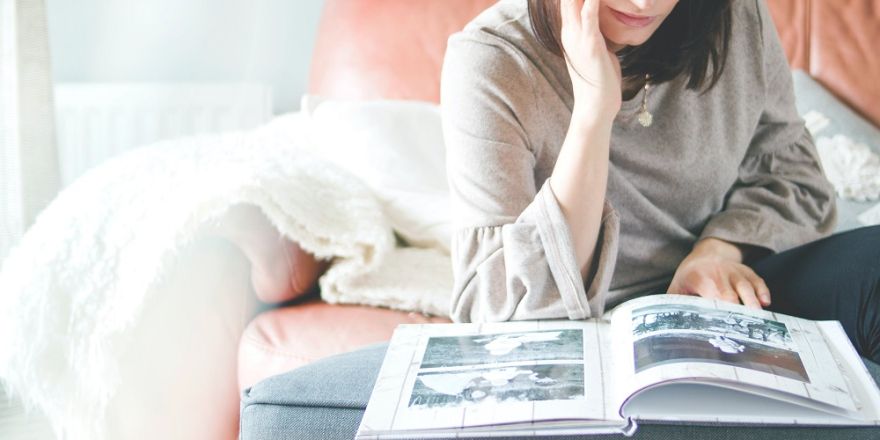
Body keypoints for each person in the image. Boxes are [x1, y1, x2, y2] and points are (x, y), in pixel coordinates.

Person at [440, 0, 880, 362]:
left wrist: (717, 251)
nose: (646, 4)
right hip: (592, 338)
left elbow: (794, 176)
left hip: (724, 293)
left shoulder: (732, 17)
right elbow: (501, 311)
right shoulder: (491, 61)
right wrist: (594, 112)